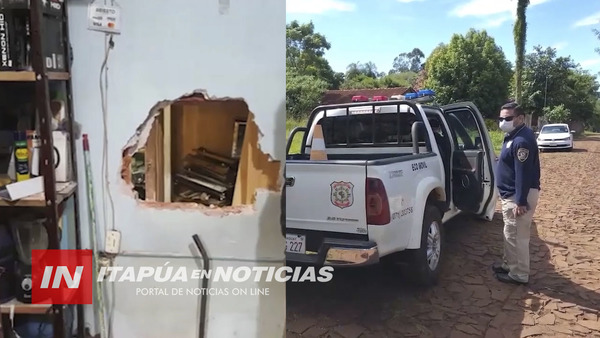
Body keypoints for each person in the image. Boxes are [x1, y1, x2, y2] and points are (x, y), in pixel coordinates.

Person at [492, 102, 541, 285]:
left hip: (518, 197)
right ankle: (509, 265)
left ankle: (519, 274)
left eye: (508, 118)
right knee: (510, 233)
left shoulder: (521, 141)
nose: (503, 121)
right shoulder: (514, 135)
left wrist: (520, 201)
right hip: (512, 195)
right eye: (501, 118)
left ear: (520, 118)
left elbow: (523, 173)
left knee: (517, 237)